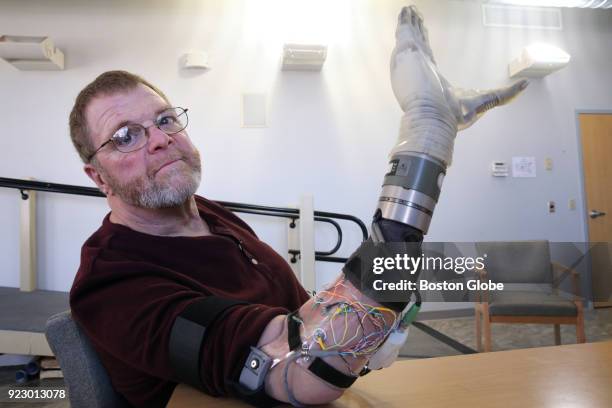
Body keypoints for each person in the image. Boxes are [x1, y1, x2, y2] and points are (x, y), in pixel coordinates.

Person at [69, 5, 527, 408]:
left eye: (165, 119)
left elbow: (303, 318)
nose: (159, 139)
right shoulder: (110, 283)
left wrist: (377, 311)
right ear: (98, 177)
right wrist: (426, 135)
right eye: (125, 136)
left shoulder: (211, 215)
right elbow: (304, 370)